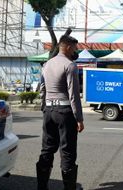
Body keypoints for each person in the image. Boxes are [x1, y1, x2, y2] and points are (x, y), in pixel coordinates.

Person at [37, 35, 84, 190]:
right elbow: (74, 95)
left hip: (49, 111)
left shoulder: (47, 64)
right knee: (67, 150)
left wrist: (44, 108)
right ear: (68, 47)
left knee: (47, 148)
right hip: (65, 112)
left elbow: (42, 89)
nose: (76, 51)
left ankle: (42, 187)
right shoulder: (70, 65)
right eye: (75, 48)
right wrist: (79, 118)